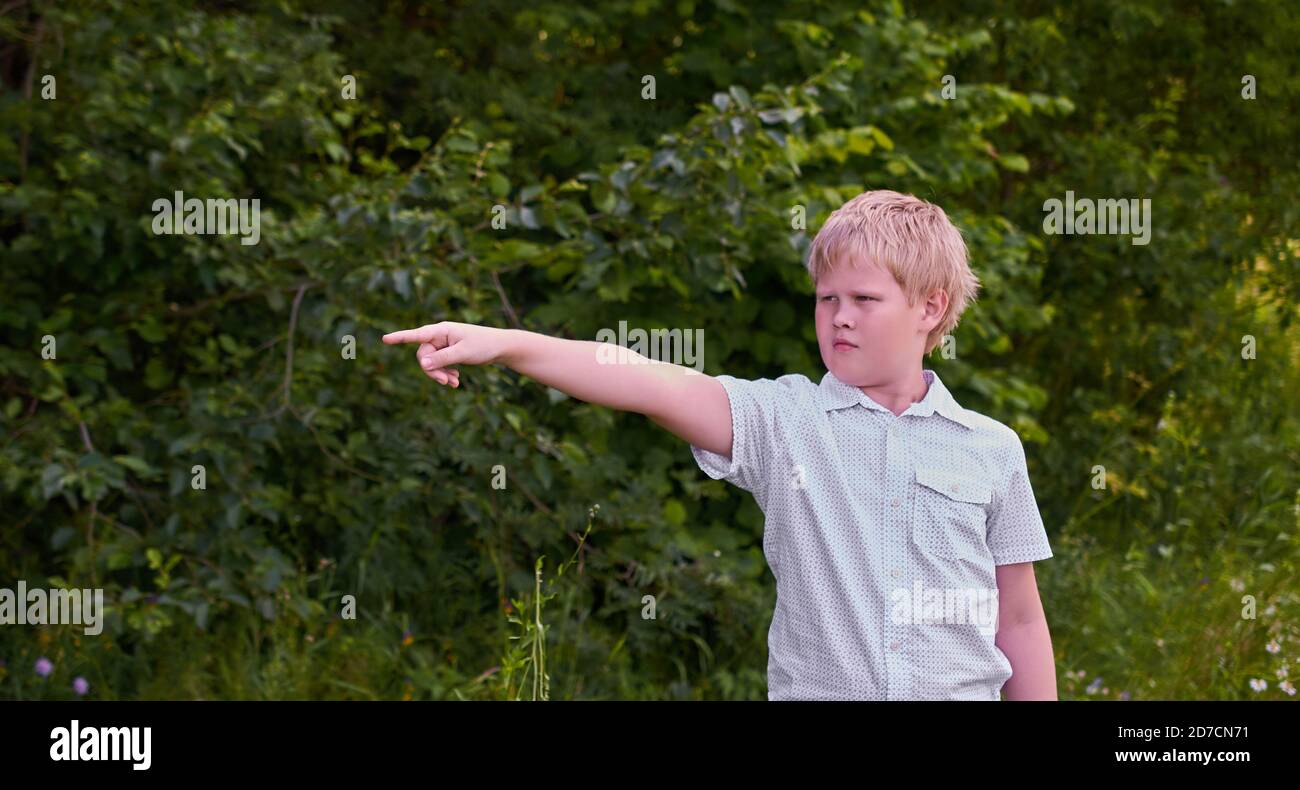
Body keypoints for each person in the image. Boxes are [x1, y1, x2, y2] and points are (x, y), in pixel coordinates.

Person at [383, 189, 1056, 701]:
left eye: (863, 298)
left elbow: (1020, 621)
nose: (839, 316)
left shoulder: (992, 450)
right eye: (826, 299)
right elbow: (645, 379)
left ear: (931, 309)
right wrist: (506, 344)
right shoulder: (783, 419)